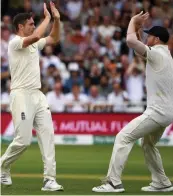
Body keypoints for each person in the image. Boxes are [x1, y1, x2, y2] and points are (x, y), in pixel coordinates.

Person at [92, 11, 173, 193]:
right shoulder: (164, 56)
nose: (147, 39)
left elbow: (130, 42)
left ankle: (113, 183)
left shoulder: (158, 54)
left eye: (149, 36)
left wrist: (131, 21)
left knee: (123, 137)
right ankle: (161, 181)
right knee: (147, 144)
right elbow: (138, 49)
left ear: (157, 39)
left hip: (157, 112)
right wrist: (137, 30)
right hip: (167, 112)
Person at [0, 2, 64, 192]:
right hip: (21, 95)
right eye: (30, 23)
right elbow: (37, 35)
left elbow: (54, 38)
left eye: (34, 23)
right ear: (20, 27)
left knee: (48, 135)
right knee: (23, 140)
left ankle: (49, 180)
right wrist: (47, 18)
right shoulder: (14, 42)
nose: (34, 26)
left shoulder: (35, 43)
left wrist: (57, 20)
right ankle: (2, 166)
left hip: (38, 95)